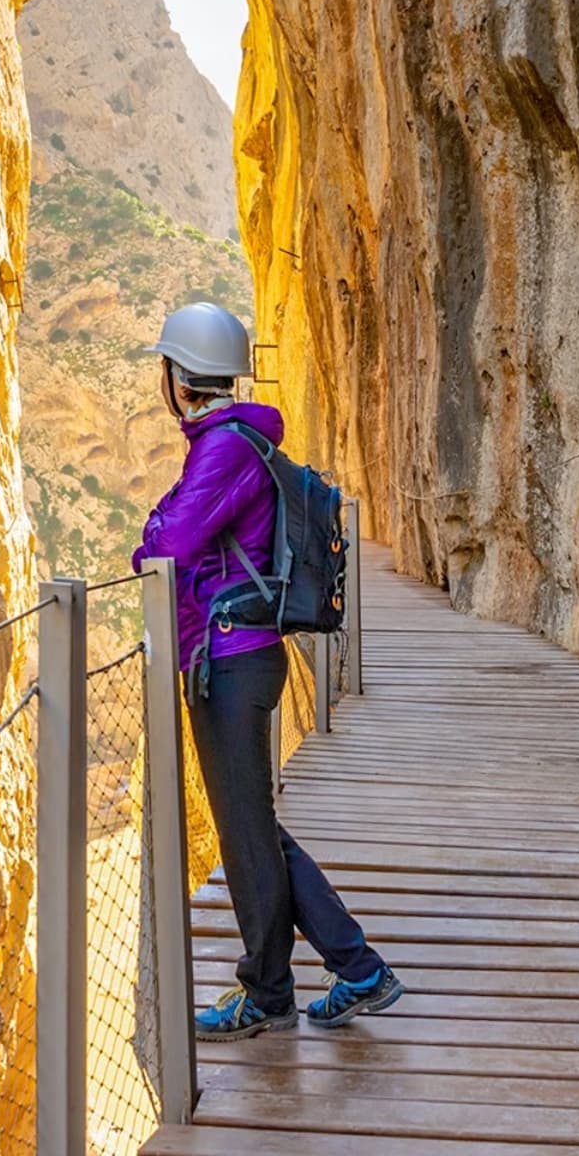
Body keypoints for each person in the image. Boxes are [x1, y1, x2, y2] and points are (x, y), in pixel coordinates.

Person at [132, 302, 403, 1040]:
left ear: (179, 378)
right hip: (239, 657)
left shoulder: (223, 448)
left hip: (231, 662)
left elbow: (166, 544)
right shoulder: (235, 440)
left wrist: (153, 529)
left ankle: (308, 981)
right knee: (253, 830)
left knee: (249, 832)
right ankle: (320, 977)